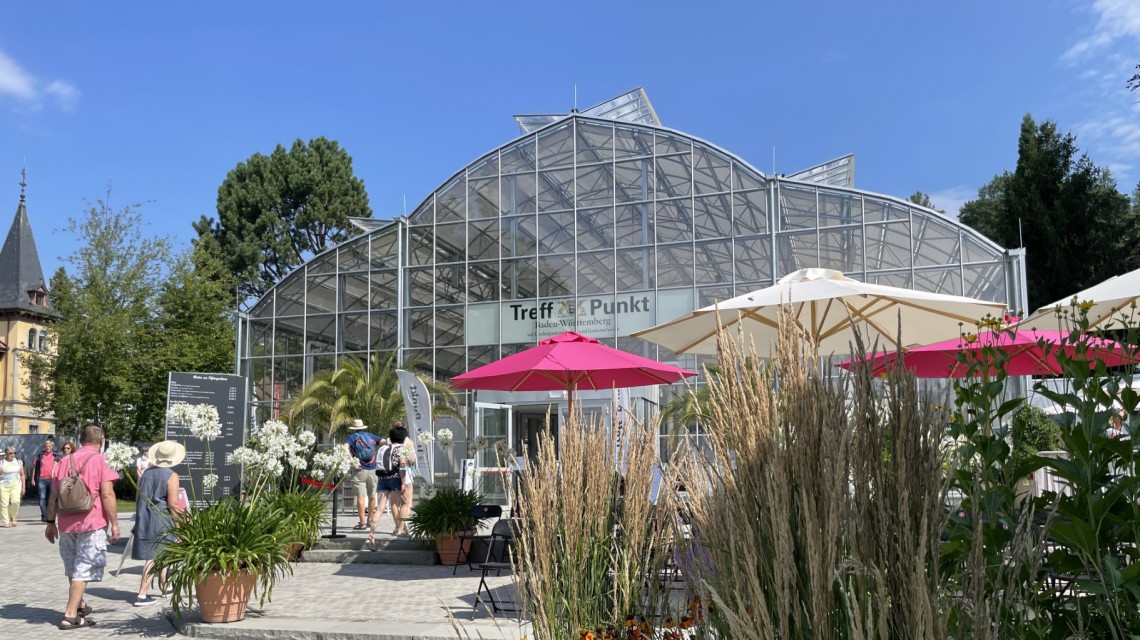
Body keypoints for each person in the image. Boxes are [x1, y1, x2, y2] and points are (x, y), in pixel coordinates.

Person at [45, 424, 120, 630]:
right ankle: (70, 616)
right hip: (91, 521)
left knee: (73, 567)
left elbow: (53, 496)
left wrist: (50, 523)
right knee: (83, 568)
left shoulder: (63, 461)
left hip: (66, 522)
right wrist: (114, 524)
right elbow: (107, 494)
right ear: (101, 441)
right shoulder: (102, 460)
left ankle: (79, 607)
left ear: (80, 440)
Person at [132, 440, 183, 606]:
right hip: (161, 518)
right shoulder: (171, 475)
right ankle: (142, 594)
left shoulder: (145, 473)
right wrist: (179, 527)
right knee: (153, 557)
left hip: (144, 516)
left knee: (162, 553)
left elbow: (138, 497)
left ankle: (165, 586)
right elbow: (173, 504)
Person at [368, 424, 414, 541]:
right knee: (405, 503)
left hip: (383, 479)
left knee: (380, 508)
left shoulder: (382, 449)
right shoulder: (401, 449)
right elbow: (402, 466)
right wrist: (403, 482)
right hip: (396, 479)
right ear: (403, 438)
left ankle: (371, 534)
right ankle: (400, 529)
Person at [344, 419, 383, 531]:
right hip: (373, 470)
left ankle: (362, 523)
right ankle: (370, 520)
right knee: (372, 496)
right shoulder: (371, 436)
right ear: (363, 427)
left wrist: (353, 462)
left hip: (359, 471)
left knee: (360, 497)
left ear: (353, 428)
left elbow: (345, 448)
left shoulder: (352, 438)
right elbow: (386, 442)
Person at [32, 440, 61, 522]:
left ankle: (49, 514)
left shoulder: (56, 456)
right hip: (42, 479)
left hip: (52, 480)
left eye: (49, 446)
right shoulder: (40, 456)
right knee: (42, 498)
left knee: (51, 499)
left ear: (52, 447)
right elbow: (35, 468)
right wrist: (33, 479)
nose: (47, 448)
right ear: (44, 447)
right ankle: (44, 515)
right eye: (46, 446)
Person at [0, 447, 26, 527]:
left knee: (16, 501)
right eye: (10, 453)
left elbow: (22, 475)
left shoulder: (18, 462)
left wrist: (23, 487)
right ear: (6, 454)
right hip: (4, 485)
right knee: (4, 503)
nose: (13, 454)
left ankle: (14, 517)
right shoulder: (2, 463)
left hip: (16, 484)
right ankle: (5, 521)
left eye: (14, 453)